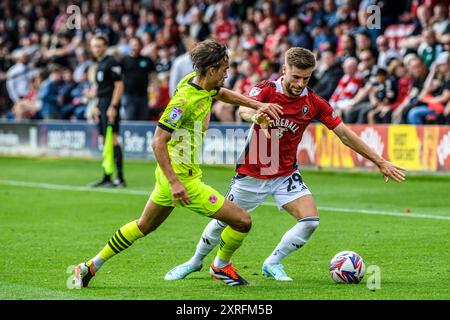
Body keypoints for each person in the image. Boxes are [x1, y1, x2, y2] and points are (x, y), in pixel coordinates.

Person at [165, 47, 406, 282]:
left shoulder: (313, 102)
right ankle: (195, 261)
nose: (300, 83)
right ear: (284, 69)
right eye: (296, 77)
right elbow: (243, 111)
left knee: (310, 221)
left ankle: (272, 262)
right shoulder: (266, 90)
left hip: (285, 174)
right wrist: (257, 115)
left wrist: (380, 161)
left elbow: (343, 133)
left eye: (306, 78)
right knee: (222, 222)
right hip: (252, 173)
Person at [71, 39, 282, 288]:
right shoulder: (184, 100)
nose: (228, 74)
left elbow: (221, 93)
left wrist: (258, 104)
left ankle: (90, 266)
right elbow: (158, 141)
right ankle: (221, 266)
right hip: (183, 180)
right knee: (242, 221)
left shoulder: (201, 84)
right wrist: (175, 183)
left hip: (170, 177)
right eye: (225, 70)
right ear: (212, 70)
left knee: (143, 226)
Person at [89, 34, 126, 188]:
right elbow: (101, 89)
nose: (96, 48)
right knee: (105, 141)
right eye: (94, 46)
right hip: (102, 105)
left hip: (110, 105)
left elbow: (119, 86)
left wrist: (113, 107)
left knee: (113, 139)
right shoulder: (100, 64)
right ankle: (107, 176)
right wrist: (96, 105)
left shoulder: (111, 63)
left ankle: (120, 178)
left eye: (99, 46)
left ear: (105, 46)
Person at [120, 36, 156, 121]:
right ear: (129, 46)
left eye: (136, 44)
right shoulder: (124, 60)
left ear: (140, 46)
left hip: (143, 95)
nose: (134, 47)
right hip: (128, 95)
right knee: (129, 119)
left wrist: (154, 94)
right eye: (132, 45)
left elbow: (153, 77)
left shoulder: (147, 60)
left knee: (143, 120)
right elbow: (119, 78)